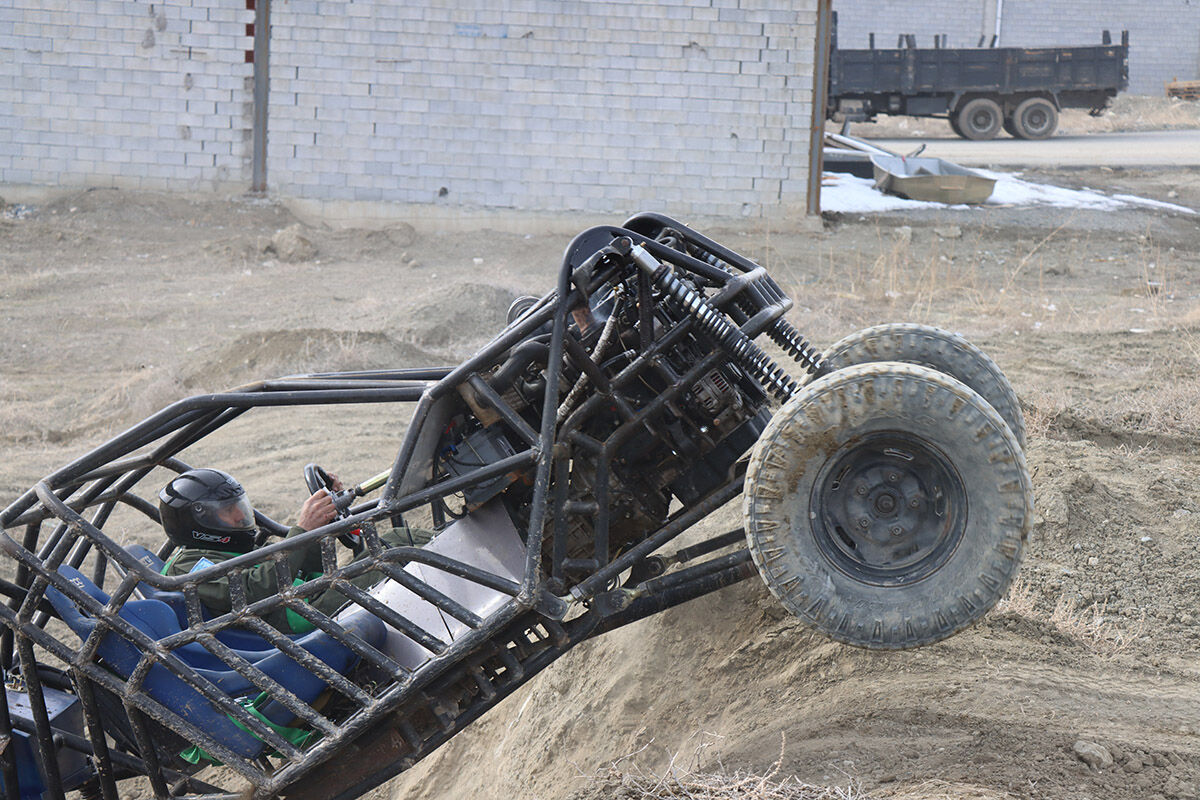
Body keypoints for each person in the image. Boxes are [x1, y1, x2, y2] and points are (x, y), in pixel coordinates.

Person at [158, 467, 431, 633]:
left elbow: (306, 569)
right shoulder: (187, 568)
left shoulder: (229, 551)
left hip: (306, 600)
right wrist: (302, 530)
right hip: (296, 622)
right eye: (228, 513)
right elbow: (252, 591)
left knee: (398, 536)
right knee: (397, 553)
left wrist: (320, 521)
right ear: (200, 523)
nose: (241, 517)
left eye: (238, 507)